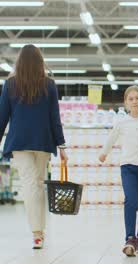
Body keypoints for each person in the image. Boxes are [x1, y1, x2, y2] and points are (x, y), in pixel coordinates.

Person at [0, 44, 68, 249]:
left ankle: (37, 234)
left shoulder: (10, 84)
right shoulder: (49, 84)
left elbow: (2, 117)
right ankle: (40, 232)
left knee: (30, 185)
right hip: (43, 141)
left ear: (19, 61)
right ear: (40, 62)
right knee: (38, 184)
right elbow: (54, 118)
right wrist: (61, 144)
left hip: (19, 142)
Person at [99, 86, 138, 257]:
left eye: (137, 98)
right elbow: (111, 138)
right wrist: (104, 153)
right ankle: (130, 238)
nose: (134, 101)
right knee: (131, 200)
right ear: (126, 103)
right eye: (130, 99)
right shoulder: (121, 122)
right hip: (128, 167)